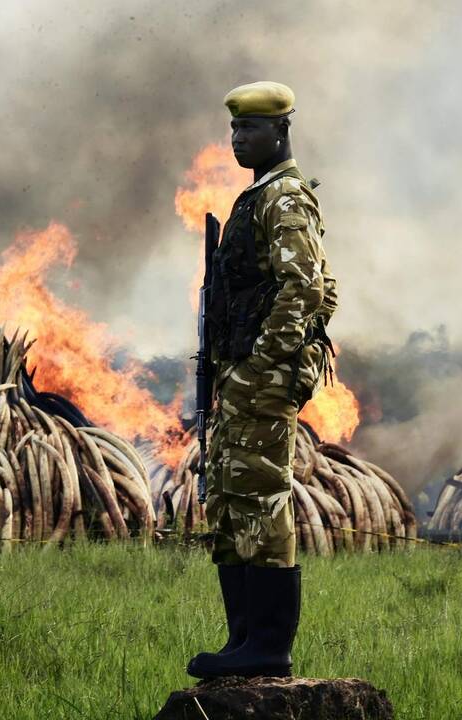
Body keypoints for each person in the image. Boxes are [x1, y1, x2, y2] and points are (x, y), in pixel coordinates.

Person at [187, 81, 338, 679]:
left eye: (248, 129)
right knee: (229, 500)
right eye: (233, 129)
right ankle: (242, 639)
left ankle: (270, 644)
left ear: (281, 131)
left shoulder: (285, 199)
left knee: (262, 499)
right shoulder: (257, 197)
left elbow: (306, 287)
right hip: (241, 372)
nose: (237, 139)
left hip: (261, 376)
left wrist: (264, 365)